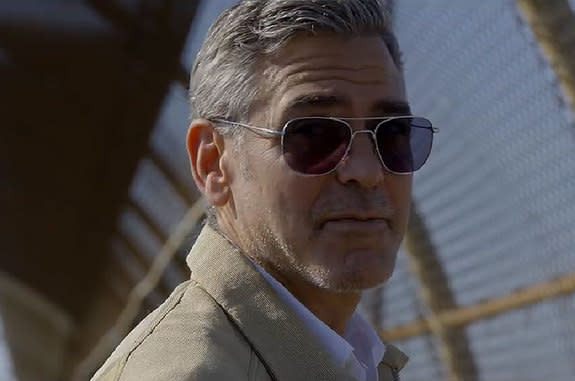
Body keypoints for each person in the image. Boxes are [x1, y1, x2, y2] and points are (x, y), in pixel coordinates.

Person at [92, 0, 436, 380]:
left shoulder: (355, 359)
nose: (367, 171)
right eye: (313, 135)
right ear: (214, 164)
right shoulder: (191, 372)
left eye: (394, 133)